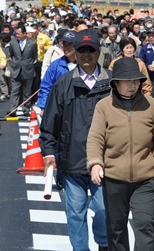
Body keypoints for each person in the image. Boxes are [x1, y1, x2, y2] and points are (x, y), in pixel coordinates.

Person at [87, 57, 154, 251]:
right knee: (116, 228)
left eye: (136, 80)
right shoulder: (104, 106)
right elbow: (95, 138)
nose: (133, 85)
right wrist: (95, 163)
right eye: (127, 81)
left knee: (144, 225)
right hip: (114, 178)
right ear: (116, 83)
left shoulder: (150, 104)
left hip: (146, 179)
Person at [40, 30, 112, 251]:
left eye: (91, 49)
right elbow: (50, 122)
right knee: (75, 212)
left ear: (99, 51)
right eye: (82, 50)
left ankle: (104, 244)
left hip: (105, 161)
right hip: (72, 160)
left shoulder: (112, 82)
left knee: (103, 209)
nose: (87, 54)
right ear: (74, 52)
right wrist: (49, 153)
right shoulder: (63, 84)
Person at [37, 30, 77, 114]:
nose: (66, 47)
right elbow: (46, 87)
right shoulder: (55, 65)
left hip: (79, 107)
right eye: (64, 44)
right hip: (59, 107)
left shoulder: (84, 65)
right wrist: (43, 107)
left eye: (70, 44)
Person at [9, 24, 37, 115]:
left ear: (25, 33)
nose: (16, 35)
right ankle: (13, 109)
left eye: (18, 33)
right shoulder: (13, 43)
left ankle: (26, 109)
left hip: (28, 69)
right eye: (16, 33)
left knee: (27, 91)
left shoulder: (32, 44)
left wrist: (27, 63)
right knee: (15, 90)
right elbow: (12, 55)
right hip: (16, 69)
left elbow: (34, 57)